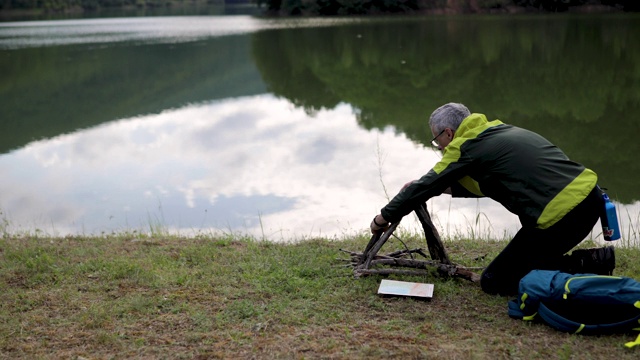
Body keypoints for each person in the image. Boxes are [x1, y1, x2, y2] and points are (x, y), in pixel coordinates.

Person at [370, 102, 615, 296]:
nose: (440, 148)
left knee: (495, 282)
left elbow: (426, 185)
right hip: (588, 198)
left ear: (449, 133)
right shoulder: (494, 130)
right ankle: (590, 263)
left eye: (437, 141)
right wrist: (434, 187)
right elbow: (484, 185)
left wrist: (382, 218)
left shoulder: (465, 146)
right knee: (517, 265)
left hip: (561, 216)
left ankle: (591, 264)